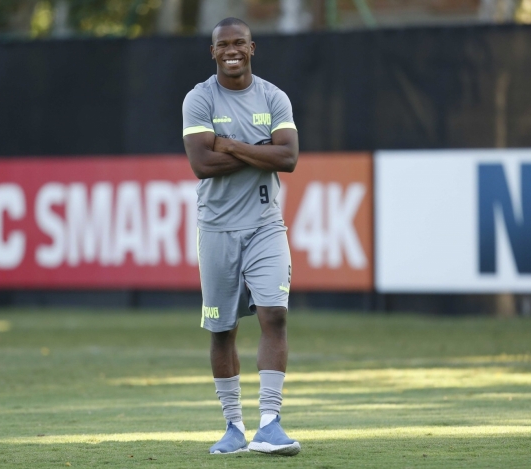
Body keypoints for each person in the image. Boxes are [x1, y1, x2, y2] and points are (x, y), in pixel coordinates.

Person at [181, 17, 300, 456]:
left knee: (275, 315)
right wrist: (259, 148)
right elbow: (201, 164)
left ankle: (270, 424)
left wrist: (229, 143)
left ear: (253, 48)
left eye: (239, 43)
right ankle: (233, 427)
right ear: (213, 52)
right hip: (216, 229)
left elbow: (287, 157)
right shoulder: (199, 98)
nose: (231, 50)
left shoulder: (273, 96)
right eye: (222, 44)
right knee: (221, 329)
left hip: (267, 225)